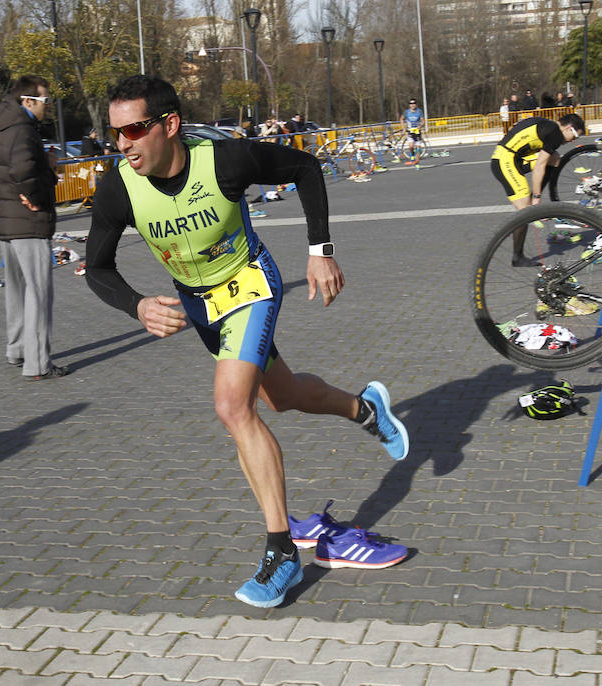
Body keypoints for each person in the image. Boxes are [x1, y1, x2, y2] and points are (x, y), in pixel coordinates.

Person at [84, 75, 410, 608]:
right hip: (199, 304)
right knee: (278, 397)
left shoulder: (225, 161)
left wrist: (320, 250)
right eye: (115, 133)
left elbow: (304, 168)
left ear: (168, 125)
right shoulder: (119, 186)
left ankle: (281, 552)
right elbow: (97, 267)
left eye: (134, 130)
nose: (123, 144)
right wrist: (137, 304)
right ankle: (366, 409)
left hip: (250, 285)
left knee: (231, 407)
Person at [0, 74, 68, 380]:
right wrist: (41, 186)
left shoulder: (5, 128)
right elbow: (23, 169)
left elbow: (8, 169)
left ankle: (17, 350)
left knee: (18, 291)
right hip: (28, 223)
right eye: (45, 101)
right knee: (37, 293)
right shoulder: (24, 130)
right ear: (28, 101)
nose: (47, 107)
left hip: (8, 222)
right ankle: (38, 364)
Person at [490, 112, 585, 210]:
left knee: (554, 158)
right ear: (569, 128)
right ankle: (532, 203)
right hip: (504, 161)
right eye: (575, 136)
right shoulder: (555, 134)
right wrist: (537, 197)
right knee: (524, 210)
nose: (573, 141)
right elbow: (539, 166)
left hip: (514, 157)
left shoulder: (548, 125)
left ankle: (534, 202)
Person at [401, 98, 425, 165]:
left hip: (417, 132)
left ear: (416, 104)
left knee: (418, 148)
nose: (412, 105)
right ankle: (412, 156)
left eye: (414, 103)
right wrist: (404, 128)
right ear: (409, 105)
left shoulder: (419, 111)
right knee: (411, 146)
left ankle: (417, 163)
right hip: (410, 131)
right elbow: (401, 119)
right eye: (411, 103)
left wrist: (420, 126)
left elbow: (423, 121)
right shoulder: (407, 112)